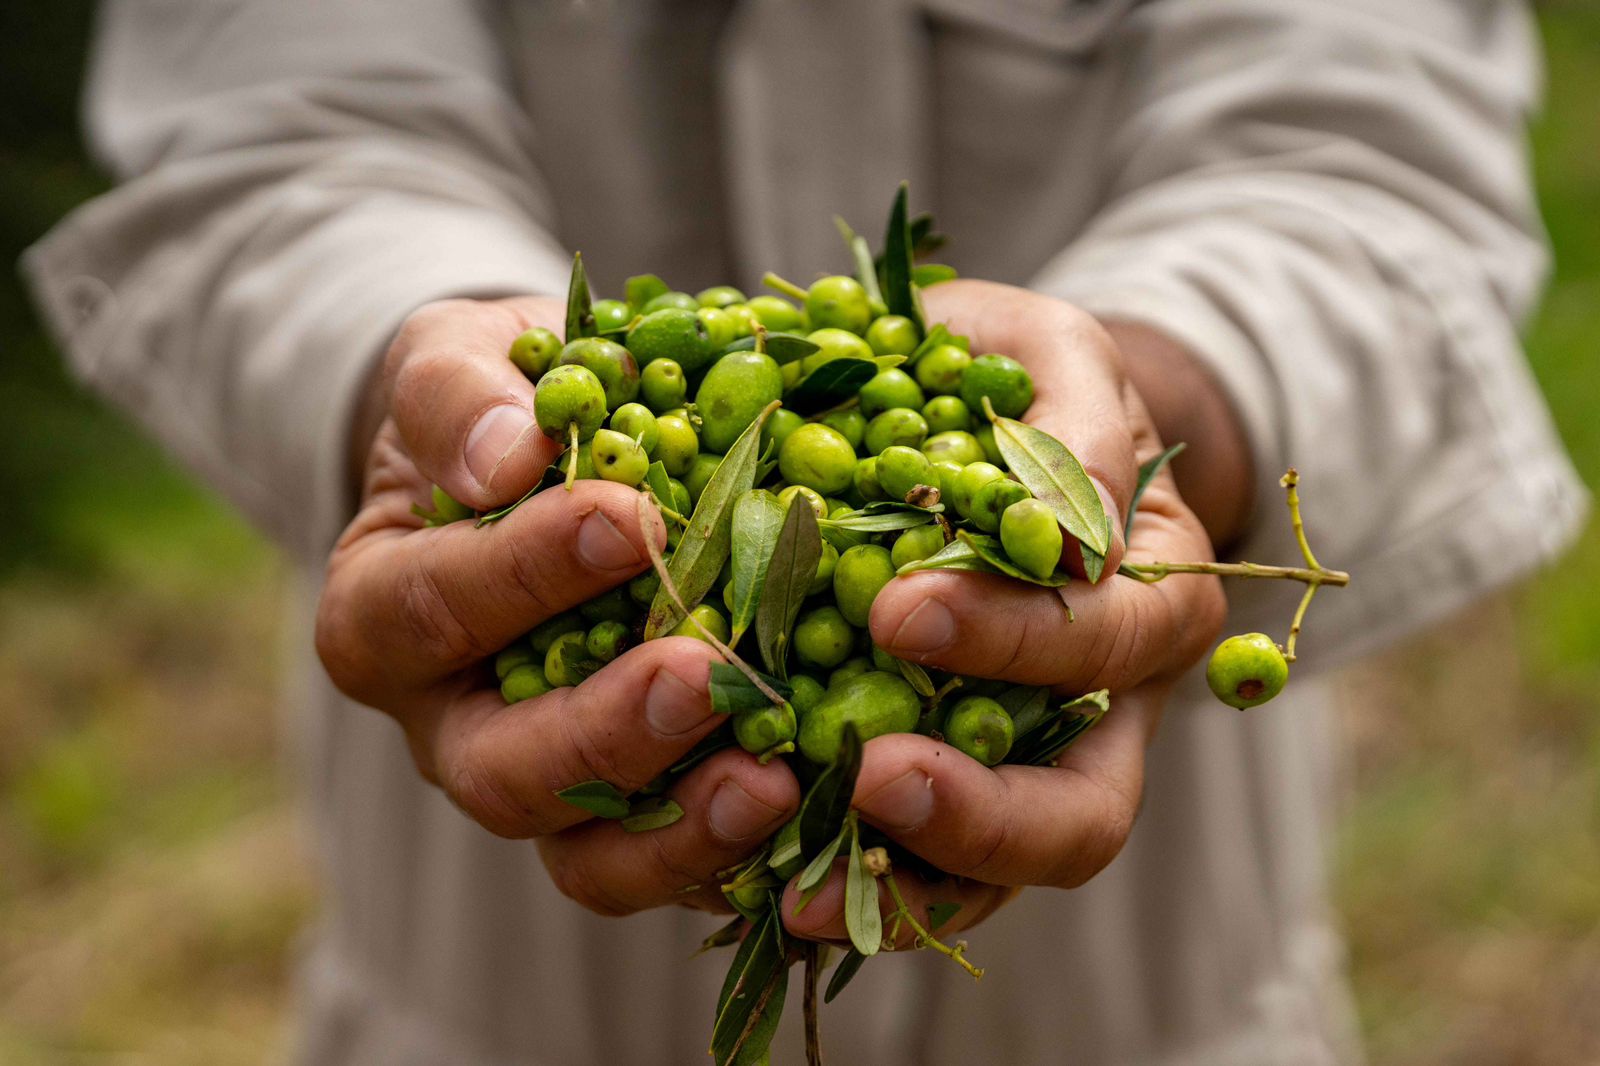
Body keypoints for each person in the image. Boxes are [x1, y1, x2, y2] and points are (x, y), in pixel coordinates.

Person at [24, 2, 1587, 1063]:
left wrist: (1166, 394)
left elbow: (1366, 146)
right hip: (483, 978)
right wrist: (420, 380)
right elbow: (276, 135)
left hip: (1146, 977)